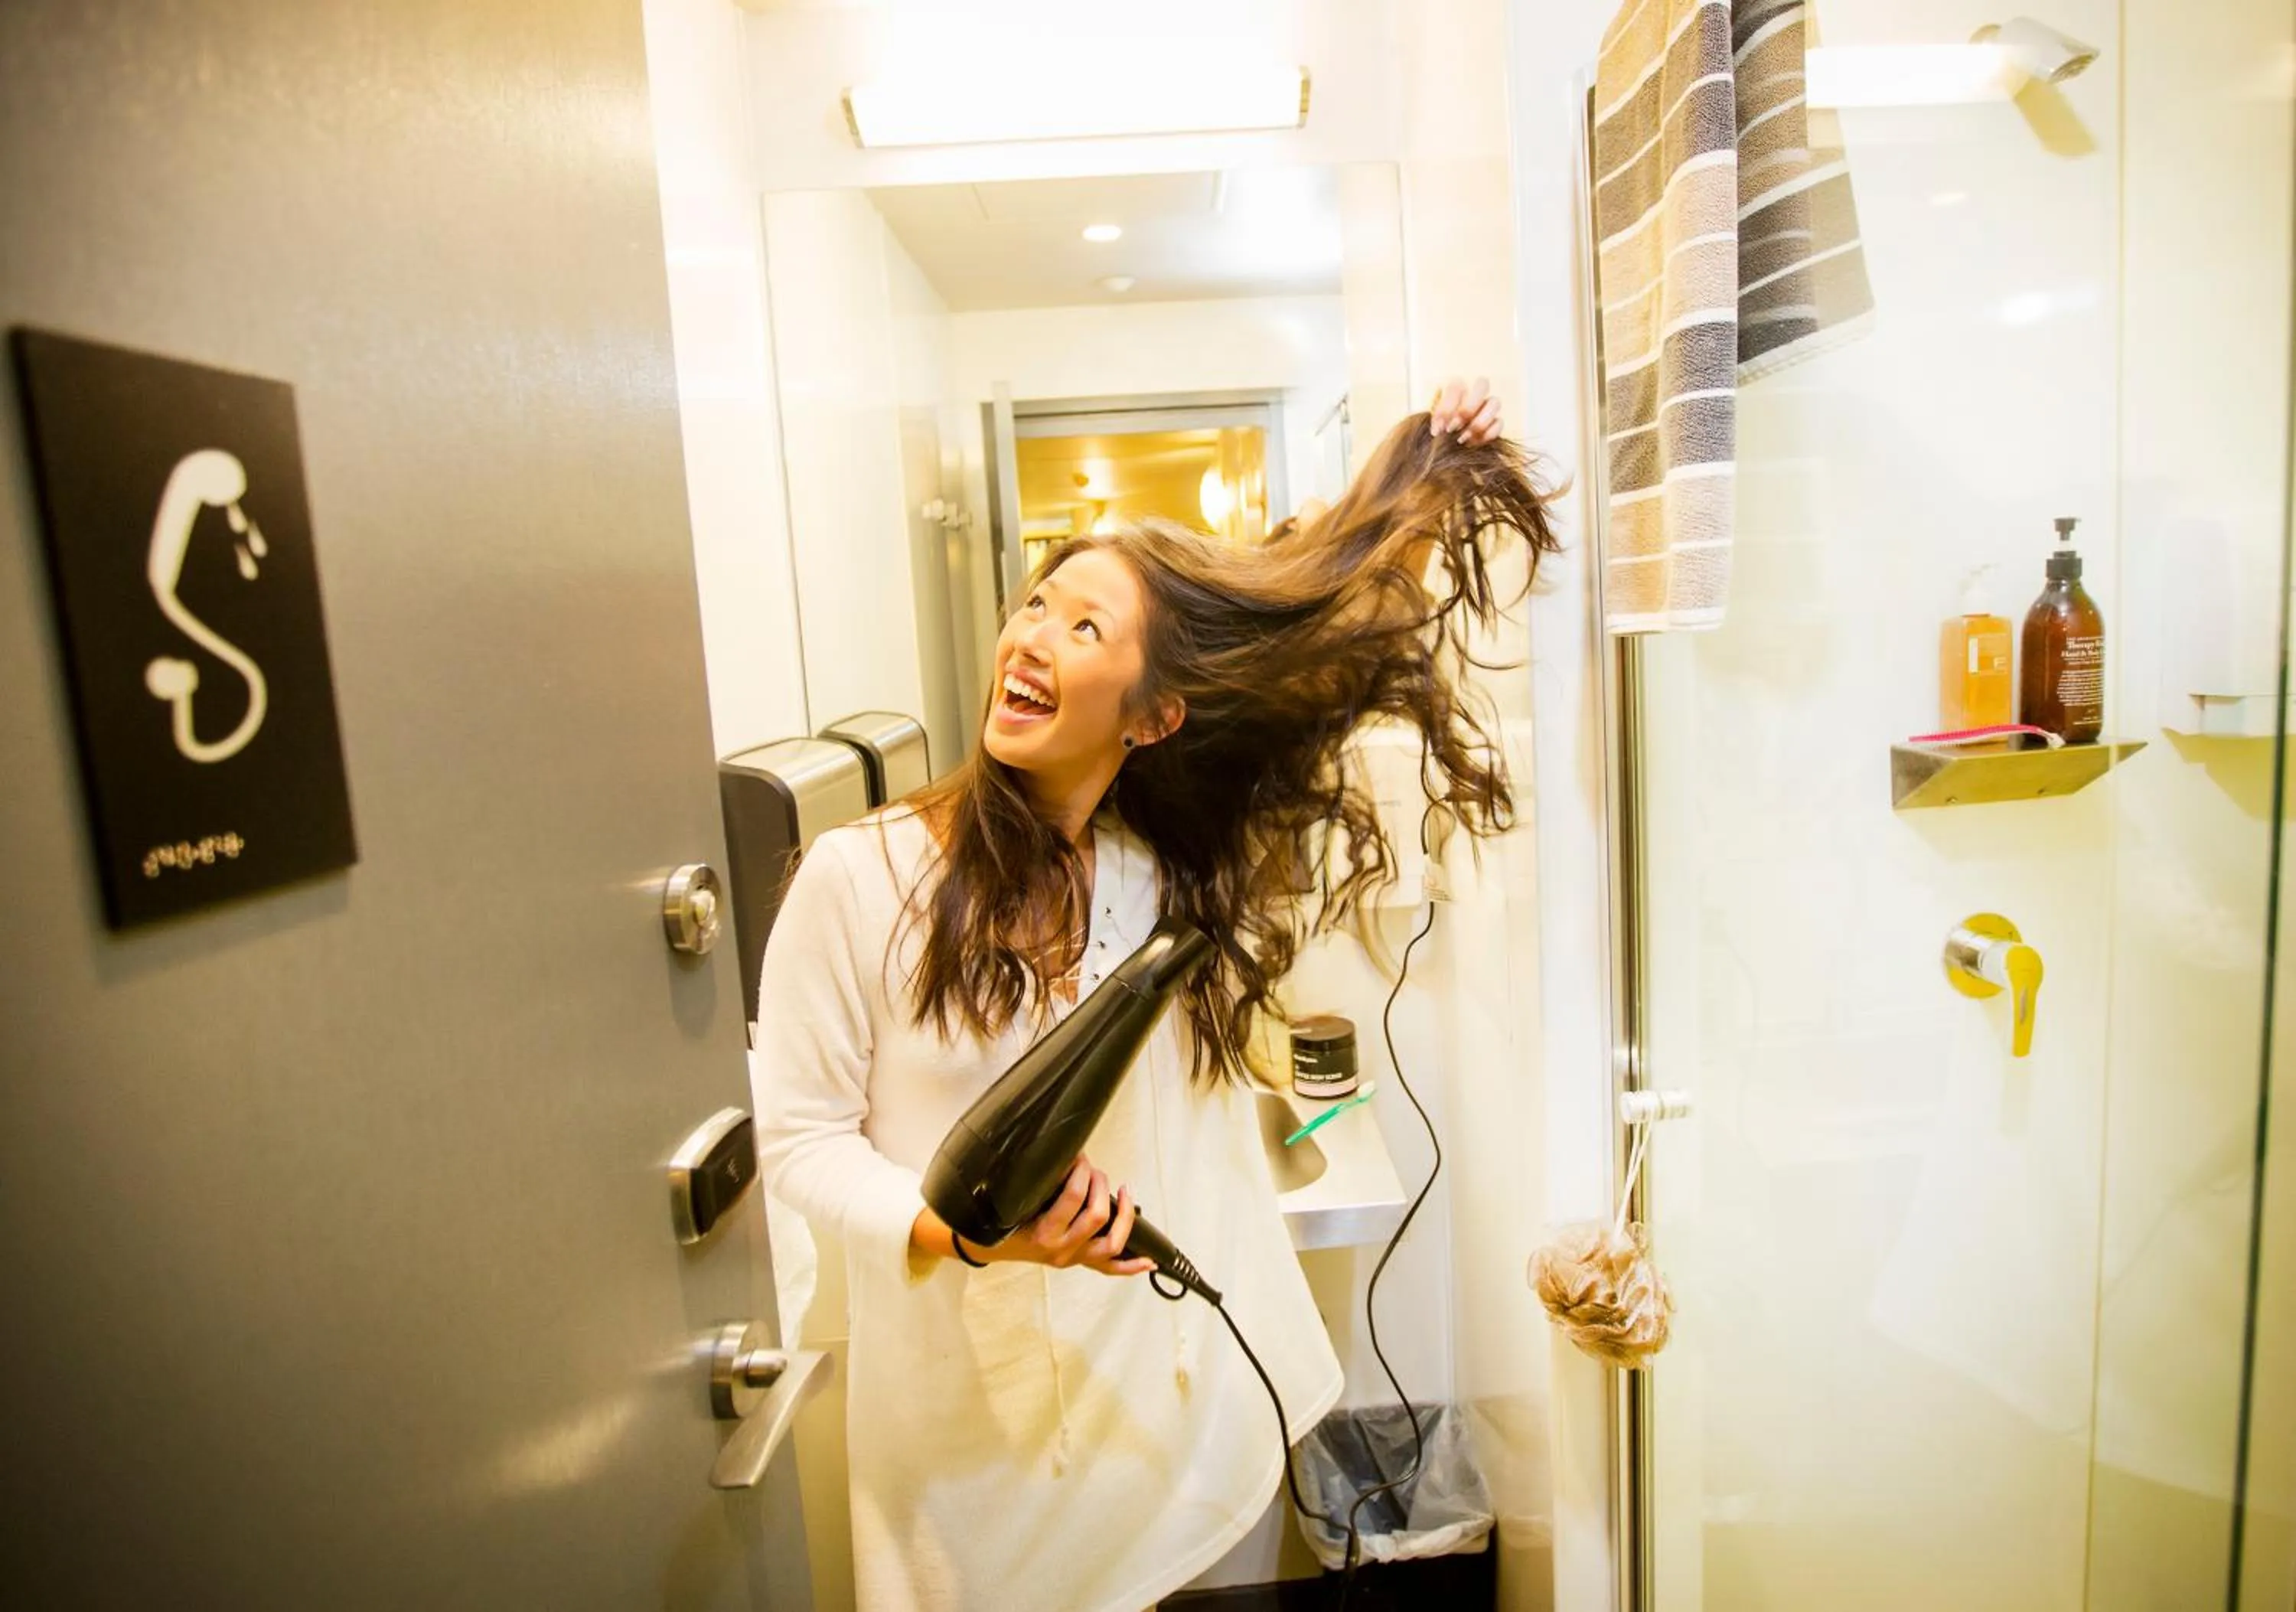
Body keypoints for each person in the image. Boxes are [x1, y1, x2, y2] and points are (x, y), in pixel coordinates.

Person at [752, 379, 1559, 1612]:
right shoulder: (858, 879)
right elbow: (799, 1139)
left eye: (1085, 629)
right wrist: (952, 1229)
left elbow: (1306, 639)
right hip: (974, 1464)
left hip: (1172, 1421)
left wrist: (1414, 473)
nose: (1031, 638)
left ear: (1155, 713)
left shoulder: (1163, 882)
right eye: (1036, 604)